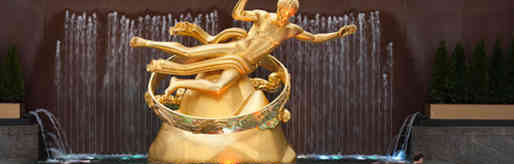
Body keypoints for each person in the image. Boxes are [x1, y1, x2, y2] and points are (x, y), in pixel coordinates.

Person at [130, 0, 356, 97]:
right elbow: (237, 15)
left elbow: (314, 37)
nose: (287, 15)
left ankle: (177, 82)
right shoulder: (262, 16)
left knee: (218, 87)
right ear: (280, 7)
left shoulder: (290, 29)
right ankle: (146, 42)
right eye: (286, 10)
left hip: (244, 64)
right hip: (234, 49)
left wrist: (337, 34)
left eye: (291, 13)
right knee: (189, 54)